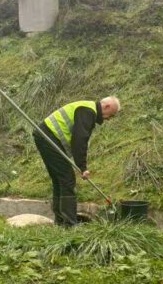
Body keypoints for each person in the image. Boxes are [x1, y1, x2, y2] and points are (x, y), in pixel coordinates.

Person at [32, 97, 121, 227]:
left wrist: (80, 165)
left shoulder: (87, 108)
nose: (108, 119)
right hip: (49, 137)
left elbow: (77, 139)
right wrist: (82, 167)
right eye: (111, 115)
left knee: (60, 180)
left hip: (45, 135)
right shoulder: (88, 111)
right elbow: (79, 140)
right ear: (106, 106)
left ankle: (61, 221)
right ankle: (69, 224)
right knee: (67, 180)